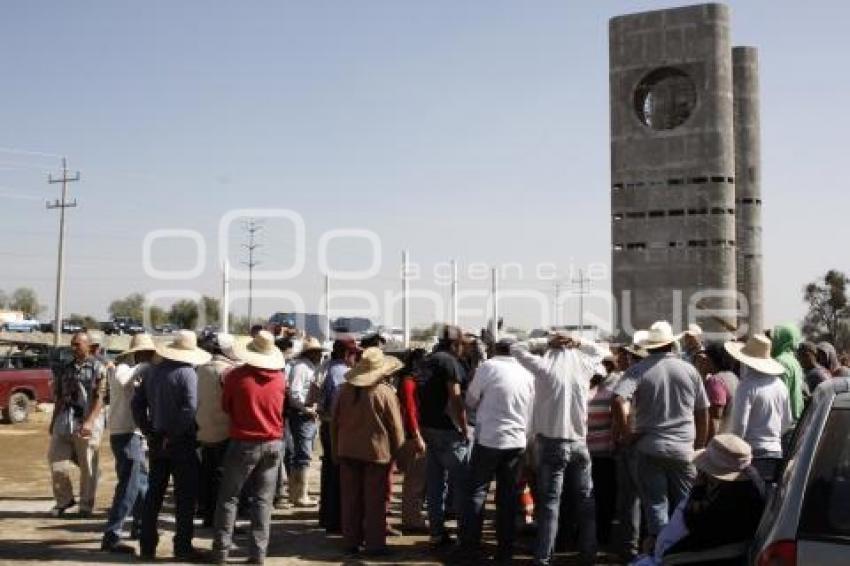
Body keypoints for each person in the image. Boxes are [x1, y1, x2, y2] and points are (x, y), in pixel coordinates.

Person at [511, 331, 608, 566]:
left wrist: (545, 342)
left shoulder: (543, 367)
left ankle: (544, 557)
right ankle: (589, 552)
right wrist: (578, 342)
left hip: (552, 443)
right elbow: (602, 351)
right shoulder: (584, 367)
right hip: (579, 443)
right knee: (585, 500)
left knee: (550, 504)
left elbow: (516, 348)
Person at [612, 321, 710, 554]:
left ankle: (659, 552)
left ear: (649, 346)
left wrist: (626, 435)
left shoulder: (639, 369)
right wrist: (700, 446)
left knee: (656, 507)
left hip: (650, 447)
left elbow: (617, 400)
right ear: (671, 344)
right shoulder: (689, 370)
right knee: (684, 507)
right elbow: (703, 412)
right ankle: (681, 552)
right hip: (683, 449)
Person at [132, 330, 211, 561]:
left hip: (157, 439)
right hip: (181, 442)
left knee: (154, 494)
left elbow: (137, 405)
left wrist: (149, 430)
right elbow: (189, 409)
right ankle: (182, 547)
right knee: (185, 497)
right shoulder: (187, 373)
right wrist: (174, 434)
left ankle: (147, 547)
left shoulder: (150, 371)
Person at [213, 331, 286, 565]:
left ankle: (221, 552)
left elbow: (226, 407)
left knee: (229, 498)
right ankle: (257, 554)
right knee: (263, 501)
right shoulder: (280, 378)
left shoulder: (236, 377)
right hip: (273, 443)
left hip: (244, 441)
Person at [635, 434, 765, 565]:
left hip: (688, 557)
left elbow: (694, 521)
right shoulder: (741, 485)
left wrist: (698, 489)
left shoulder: (734, 499)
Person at [460, 336, 534, 562]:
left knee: (477, 492)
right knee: (508, 497)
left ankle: (470, 547)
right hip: (517, 441)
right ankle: (505, 551)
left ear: (496, 349)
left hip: (489, 439)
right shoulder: (528, 372)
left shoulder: (488, 367)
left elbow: (470, 401)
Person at [332, 347, 405, 556]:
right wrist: (399, 455)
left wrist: (336, 450)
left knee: (350, 500)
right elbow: (396, 428)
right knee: (375, 502)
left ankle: (350, 542)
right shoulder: (384, 393)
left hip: (347, 452)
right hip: (376, 455)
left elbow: (333, 424)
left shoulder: (343, 390)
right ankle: (374, 544)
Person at [101, 333, 155, 553]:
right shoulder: (124, 368)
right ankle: (112, 536)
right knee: (129, 488)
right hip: (126, 434)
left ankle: (140, 527)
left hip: (132, 434)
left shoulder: (131, 369)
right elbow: (124, 380)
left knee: (142, 485)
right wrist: (145, 366)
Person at [418, 325, 471, 547]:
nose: (464, 350)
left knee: (436, 485)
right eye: (462, 345)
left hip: (429, 428)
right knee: (461, 485)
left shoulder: (429, 360)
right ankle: (464, 535)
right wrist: (465, 426)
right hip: (448, 431)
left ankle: (437, 532)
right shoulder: (450, 363)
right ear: (454, 344)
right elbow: (456, 397)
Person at [48, 331, 108, 518]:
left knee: (88, 466)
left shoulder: (98, 368)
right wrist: (53, 421)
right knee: (56, 462)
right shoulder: (66, 368)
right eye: (72, 344)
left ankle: (85, 506)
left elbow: (101, 398)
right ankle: (65, 500)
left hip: (87, 421)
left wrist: (90, 422)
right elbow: (59, 396)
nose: (74, 348)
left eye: (78, 345)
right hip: (64, 421)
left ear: (89, 346)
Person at [726, 334, 792, 483]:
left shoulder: (747, 385)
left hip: (753, 454)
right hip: (776, 452)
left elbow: (739, 426)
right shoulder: (781, 386)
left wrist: (734, 451)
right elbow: (787, 422)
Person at [196, 333, 239, 527]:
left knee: (208, 473)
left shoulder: (201, 369)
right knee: (224, 478)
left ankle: (207, 513)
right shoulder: (228, 372)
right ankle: (220, 519)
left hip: (204, 429)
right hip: (224, 430)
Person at [318, 337, 360, 534]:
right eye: (355, 354)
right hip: (337, 427)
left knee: (329, 472)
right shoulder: (342, 374)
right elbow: (339, 407)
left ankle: (327, 517)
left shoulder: (327, 368)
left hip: (327, 425)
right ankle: (337, 521)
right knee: (340, 475)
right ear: (346, 354)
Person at [285, 336, 324, 506]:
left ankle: (297, 493)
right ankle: (300, 495)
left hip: (305, 414)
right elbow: (295, 393)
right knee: (303, 454)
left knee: (302, 454)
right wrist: (306, 408)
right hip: (303, 415)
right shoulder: (302, 367)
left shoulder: (306, 366)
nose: (320, 355)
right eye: (317, 352)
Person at [586, 352, 620, 547]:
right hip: (601, 452)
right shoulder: (607, 391)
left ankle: (595, 536)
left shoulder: (589, 392)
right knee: (602, 496)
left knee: (595, 497)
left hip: (595, 452)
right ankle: (600, 536)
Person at [397, 348, 429, 533]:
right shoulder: (409, 383)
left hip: (413, 433)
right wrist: (417, 435)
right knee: (415, 481)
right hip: (413, 435)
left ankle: (413, 516)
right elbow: (410, 411)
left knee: (416, 480)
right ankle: (412, 519)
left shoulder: (409, 381)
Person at [701, 342, 739, 438]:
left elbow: (715, 417)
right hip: (733, 436)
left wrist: (709, 445)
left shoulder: (716, 381)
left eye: (705, 359)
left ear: (711, 360)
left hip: (721, 439)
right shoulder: (733, 377)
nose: (703, 362)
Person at [771, 323, 805, 422]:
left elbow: (779, 397)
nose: (772, 341)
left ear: (783, 339)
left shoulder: (780, 362)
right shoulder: (793, 360)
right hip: (795, 418)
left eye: (776, 338)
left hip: (785, 422)